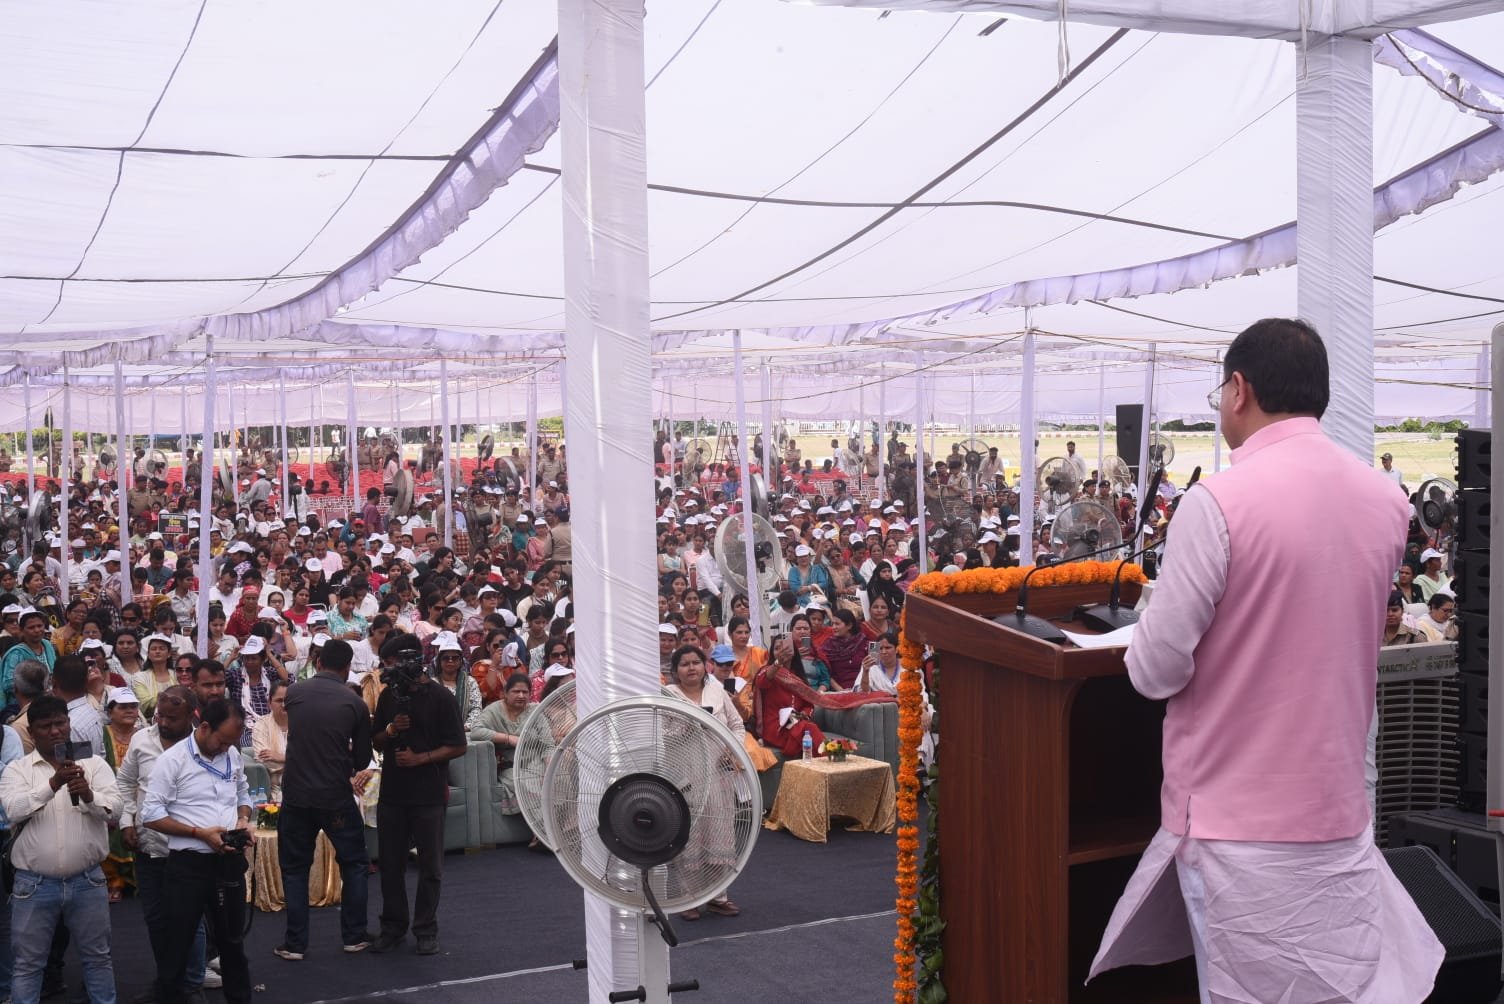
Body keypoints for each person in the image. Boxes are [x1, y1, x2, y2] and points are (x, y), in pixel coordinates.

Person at [1089, 318, 1443, 1000]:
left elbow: (1156, 671)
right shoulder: (1385, 500)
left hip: (1237, 829)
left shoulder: (1218, 502)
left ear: (1239, 389)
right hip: (1338, 812)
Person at [0, 695, 123, 1004]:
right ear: (32, 731)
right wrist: (53, 784)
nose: (55, 731)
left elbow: (116, 809)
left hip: (88, 880)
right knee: (28, 965)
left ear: (69, 724)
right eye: (46, 726)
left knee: (98, 958)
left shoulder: (93, 764)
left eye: (60, 723)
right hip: (33, 884)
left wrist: (90, 796)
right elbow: (13, 810)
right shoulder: (17, 770)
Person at [140, 698, 255, 1004]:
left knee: (233, 943)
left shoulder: (232, 754)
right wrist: (199, 833)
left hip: (228, 861)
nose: (225, 748)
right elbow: (150, 815)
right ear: (204, 727)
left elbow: (243, 793)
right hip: (188, 865)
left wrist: (243, 820)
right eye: (222, 740)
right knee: (178, 942)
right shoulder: (173, 760)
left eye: (231, 742)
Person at [276, 639, 374, 961]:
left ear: (318, 662)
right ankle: (354, 936)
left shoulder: (294, 693)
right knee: (355, 864)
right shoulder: (355, 703)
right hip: (334, 796)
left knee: (294, 869)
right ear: (347, 667)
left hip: (297, 795)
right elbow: (362, 760)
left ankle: (294, 944)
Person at [369, 634, 466, 956]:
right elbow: (376, 740)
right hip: (393, 794)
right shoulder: (389, 695)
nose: (388, 670)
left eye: (392, 663)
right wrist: (392, 730)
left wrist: (420, 758)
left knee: (430, 867)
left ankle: (426, 929)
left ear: (410, 661)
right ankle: (392, 928)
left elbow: (459, 746)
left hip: (428, 795)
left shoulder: (441, 697)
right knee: (390, 865)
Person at [115, 687, 211, 1000]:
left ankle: (192, 983)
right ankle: (168, 981)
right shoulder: (141, 740)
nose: (165, 723)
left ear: (191, 715)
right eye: (161, 716)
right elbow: (125, 782)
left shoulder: (203, 745)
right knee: (156, 919)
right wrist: (127, 821)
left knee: (189, 919)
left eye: (173, 718)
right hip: (149, 847)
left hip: (190, 848)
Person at [664, 645, 741, 920]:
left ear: (704, 666)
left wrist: (733, 750)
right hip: (685, 776)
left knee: (719, 831)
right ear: (676, 671)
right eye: (685, 664)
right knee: (690, 833)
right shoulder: (667, 696)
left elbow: (737, 725)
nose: (691, 668)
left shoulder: (717, 691)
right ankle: (688, 898)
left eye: (696, 662)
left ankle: (719, 897)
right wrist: (684, 726)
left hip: (719, 773)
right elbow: (657, 733)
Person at [99, 686, 141, 902]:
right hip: (110, 793)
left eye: (133, 706)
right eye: (123, 707)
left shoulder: (144, 735)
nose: (129, 711)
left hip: (139, 795)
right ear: (110, 712)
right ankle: (114, 881)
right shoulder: (101, 735)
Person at [468, 673, 531, 814]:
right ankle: (539, 824)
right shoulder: (494, 710)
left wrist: (550, 764)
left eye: (525, 692)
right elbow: (476, 731)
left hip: (535, 762)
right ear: (505, 693)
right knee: (525, 782)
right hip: (510, 765)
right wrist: (508, 738)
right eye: (516, 691)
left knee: (560, 778)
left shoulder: (534, 710)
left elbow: (547, 743)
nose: (521, 695)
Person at [251, 678, 289, 799]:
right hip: (273, 790)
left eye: (287, 700)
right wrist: (296, 761)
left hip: (302, 786)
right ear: (269, 703)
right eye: (279, 700)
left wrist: (281, 757)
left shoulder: (303, 725)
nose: (284, 705)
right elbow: (263, 760)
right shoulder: (261, 725)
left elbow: (311, 759)